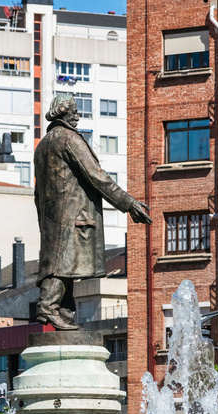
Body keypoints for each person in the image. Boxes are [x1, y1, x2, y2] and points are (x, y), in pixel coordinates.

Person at [34, 94, 152, 330]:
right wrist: (128, 203)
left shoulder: (44, 143)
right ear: (63, 111)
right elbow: (96, 175)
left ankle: (64, 312)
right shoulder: (68, 139)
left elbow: (37, 191)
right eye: (74, 110)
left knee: (64, 265)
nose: (77, 115)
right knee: (62, 263)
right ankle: (48, 306)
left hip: (50, 216)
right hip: (71, 215)